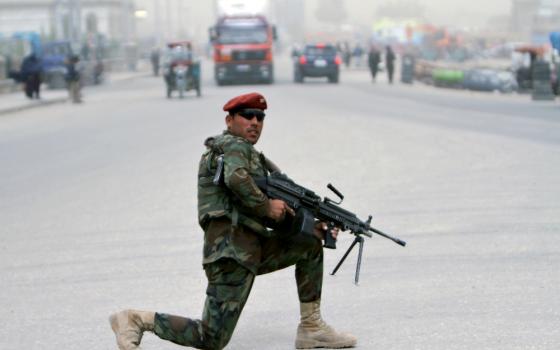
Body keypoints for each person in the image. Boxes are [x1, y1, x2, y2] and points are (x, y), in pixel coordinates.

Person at [109, 92, 358, 350]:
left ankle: (312, 327)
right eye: (247, 116)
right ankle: (136, 320)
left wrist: (308, 226)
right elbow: (238, 181)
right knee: (211, 337)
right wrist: (266, 206)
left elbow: (270, 209)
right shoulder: (234, 146)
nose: (254, 122)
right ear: (229, 121)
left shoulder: (249, 156)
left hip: (250, 246)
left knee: (309, 244)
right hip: (231, 250)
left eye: (260, 117)